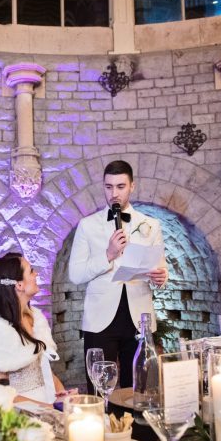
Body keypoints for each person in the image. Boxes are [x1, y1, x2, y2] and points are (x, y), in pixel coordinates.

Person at [68, 160, 168, 391]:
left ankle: (137, 428)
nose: (114, 193)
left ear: (132, 186)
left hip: (138, 316)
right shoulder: (87, 226)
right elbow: (76, 274)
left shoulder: (150, 224)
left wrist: (162, 278)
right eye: (109, 187)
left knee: (141, 388)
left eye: (120, 186)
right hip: (100, 318)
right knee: (100, 387)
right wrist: (108, 255)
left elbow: (160, 267)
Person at [0, 253, 72, 405]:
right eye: (31, 271)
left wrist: (63, 399)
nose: (36, 274)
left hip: (47, 402)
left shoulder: (36, 318)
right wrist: (47, 408)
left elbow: (46, 373)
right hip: (20, 413)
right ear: (19, 285)